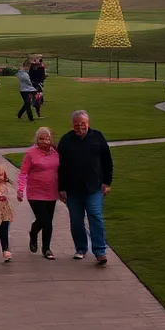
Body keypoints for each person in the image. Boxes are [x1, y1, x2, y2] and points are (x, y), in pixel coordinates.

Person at [57, 109, 113, 265]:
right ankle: (81, 248)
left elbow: (107, 161)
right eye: (76, 125)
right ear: (72, 125)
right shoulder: (66, 141)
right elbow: (59, 166)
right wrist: (60, 187)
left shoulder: (98, 137)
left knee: (95, 216)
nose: (80, 128)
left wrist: (107, 182)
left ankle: (100, 251)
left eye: (83, 124)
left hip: (94, 187)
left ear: (88, 123)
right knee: (76, 220)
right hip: (73, 189)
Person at [17, 126, 59, 260]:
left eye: (47, 138)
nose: (45, 141)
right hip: (35, 193)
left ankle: (40, 239)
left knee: (47, 220)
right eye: (41, 138)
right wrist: (20, 189)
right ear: (37, 140)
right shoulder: (31, 154)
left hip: (51, 192)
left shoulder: (56, 153)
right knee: (45, 220)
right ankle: (44, 246)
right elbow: (23, 173)